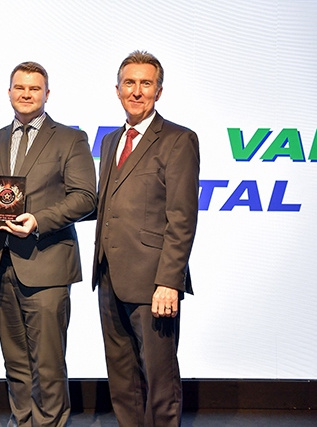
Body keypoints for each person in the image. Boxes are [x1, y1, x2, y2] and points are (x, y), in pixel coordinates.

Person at [0, 61, 97, 427]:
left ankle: (50, 424)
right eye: (19, 88)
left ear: (47, 94)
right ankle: (23, 421)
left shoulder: (71, 138)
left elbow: (86, 197)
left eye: (34, 89)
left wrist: (38, 220)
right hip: (0, 262)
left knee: (49, 363)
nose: (26, 94)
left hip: (47, 263)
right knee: (16, 361)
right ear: (9, 92)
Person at [92, 50, 200, 427]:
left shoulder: (178, 140)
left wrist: (169, 281)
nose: (136, 91)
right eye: (129, 83)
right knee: (122, 380)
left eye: (146, 83)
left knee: (160, 381)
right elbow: (106, 204)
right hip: (108, 277)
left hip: (154, 282)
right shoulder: (110, 141)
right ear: (118, 89)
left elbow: (182, 218)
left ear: (159, 90)